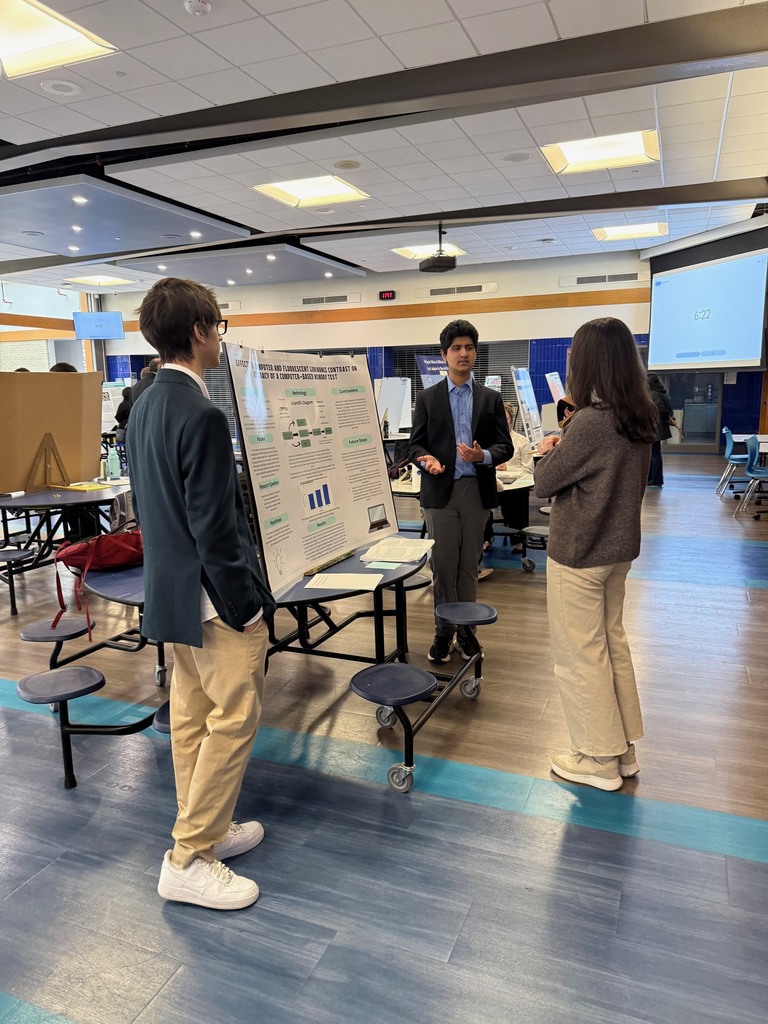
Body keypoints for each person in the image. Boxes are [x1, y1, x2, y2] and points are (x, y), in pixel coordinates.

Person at [127, 278, 275, 911]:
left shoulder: (142, 406)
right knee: (233, 719)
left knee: (191, 719)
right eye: (218, 327)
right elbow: (216, 529)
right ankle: (187, 855)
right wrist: (246, 609)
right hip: (216, 603)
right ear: (198, 332)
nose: (221, 338)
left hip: (170, 594)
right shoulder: (203, 414)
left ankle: (204, 832)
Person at [534, 317, 657, 792]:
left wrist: (549, 450)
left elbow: (544, 483)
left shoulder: (590, 422)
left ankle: (598, 759)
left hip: (580, 553)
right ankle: (623, 749)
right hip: (618, 550)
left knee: (579, 656)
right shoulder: (638, 414)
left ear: (588, 362)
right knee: (612, 645)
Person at [408, 319, 513, 663]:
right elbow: (414, 446)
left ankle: (467, 631)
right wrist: (426, 460)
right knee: (442, 566)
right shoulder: (427, 398)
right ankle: (443, 632)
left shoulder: (490, 399)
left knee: (468, 566)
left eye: (469, 348)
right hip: (439, 493)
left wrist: (481, 455)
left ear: (475, 354)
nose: (463, 353)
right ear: (444, 355)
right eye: (456, 348)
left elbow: (505, 447)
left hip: (475, 491)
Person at [647, 372, 676, 487]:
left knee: (654, 454)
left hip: (655, 427)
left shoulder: (653, 394)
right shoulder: (661, 393)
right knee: (655, 453)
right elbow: (668, 410)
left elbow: (660, 410)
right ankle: (654, 478)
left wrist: (665, 418)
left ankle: (654, 479)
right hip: (658, 428)